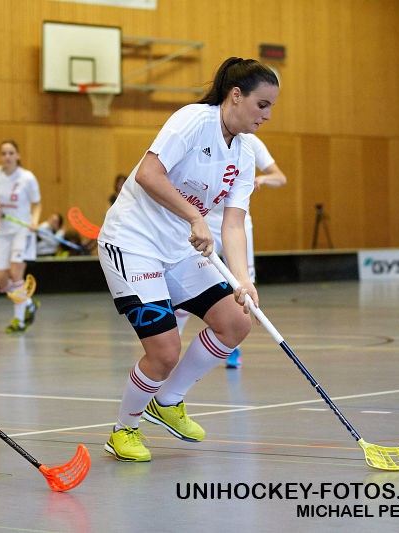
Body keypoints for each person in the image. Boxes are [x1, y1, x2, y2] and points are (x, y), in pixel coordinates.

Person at [97, 57, 279, 462]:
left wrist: (242, 280)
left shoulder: (245, 153)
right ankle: (123, 429)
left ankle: (168, 400)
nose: (267, 115)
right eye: (262, 105)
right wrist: (195, 216)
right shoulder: (194, 120)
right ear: (236, 95)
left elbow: (233, 223)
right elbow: (148, 174)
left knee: (235, 322)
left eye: (271, 107)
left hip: (178, 248)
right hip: (133, 241)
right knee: (163, 351)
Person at [177, 134, 287, 368]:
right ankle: (171, 342)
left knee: (242, 286)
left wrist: (263, 179)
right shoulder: (205, 136)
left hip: (236, 223)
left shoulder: (251, 144)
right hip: (204, 221)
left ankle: (232, 350)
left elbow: (280, 177)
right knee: (190, 280)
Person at [0, 140, 41, 334]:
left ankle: (19, 319)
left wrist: (35, 222)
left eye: (11, 153)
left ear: (18, 156)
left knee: (16, 273)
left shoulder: (27, 177)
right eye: (4, 153)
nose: (7, 156)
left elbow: (37, 204)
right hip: (3, 231)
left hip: (22, 231)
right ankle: (29, 303)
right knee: (0, 279)